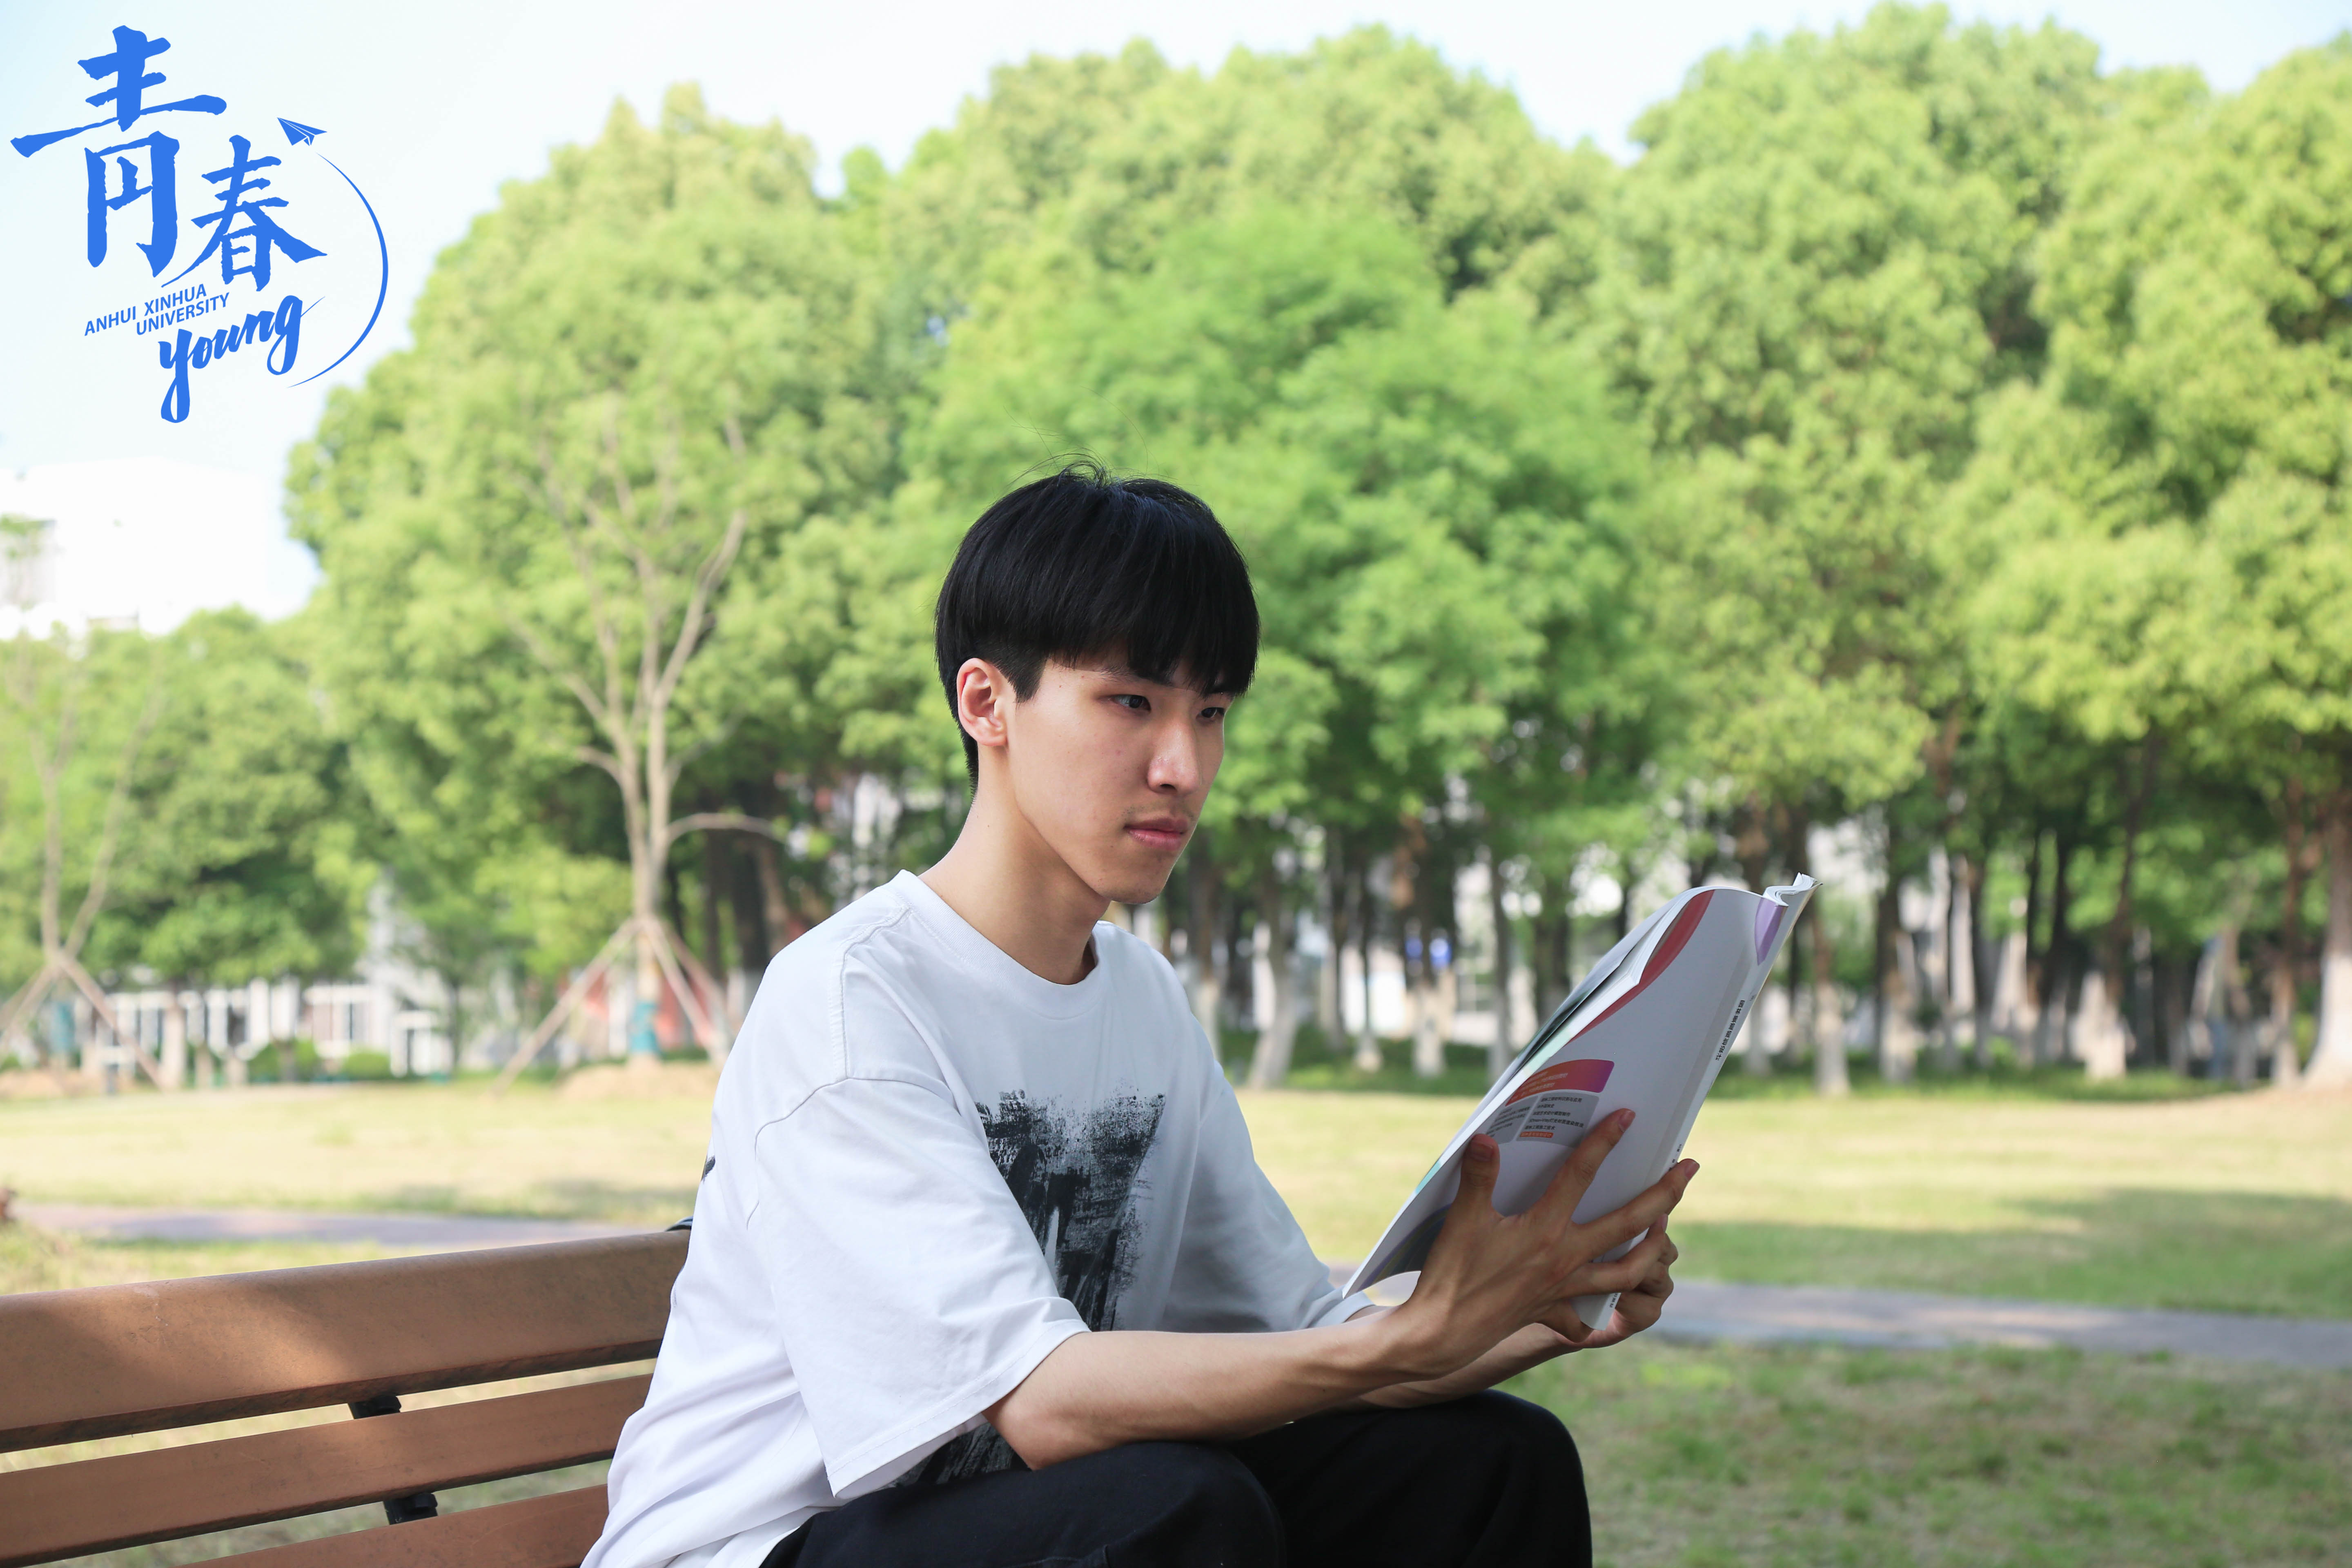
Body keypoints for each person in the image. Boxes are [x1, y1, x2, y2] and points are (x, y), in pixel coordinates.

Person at [583, 465, 1695, 1568]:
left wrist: (1540, 1301)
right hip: (762, 1548)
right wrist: (1411, 1339)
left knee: (1493, 1466)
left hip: (1026, 1522)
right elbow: (1041, 1404)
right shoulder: (852, 1002)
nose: (1184, 766)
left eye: (1211, 713)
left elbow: (1305, 1337)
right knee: (1175, 1509)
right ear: (987, 704)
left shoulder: (1141, 998)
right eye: (1132, 703)